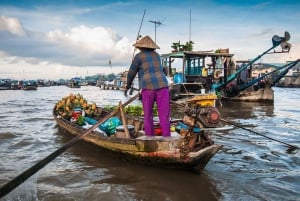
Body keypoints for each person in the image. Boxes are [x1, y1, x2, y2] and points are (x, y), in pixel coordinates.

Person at [125, 35, 170, 137]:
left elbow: (131, 73)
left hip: (148, 88)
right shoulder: (157, 55)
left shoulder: (138, 57)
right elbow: (163, 70)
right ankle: (167, 138)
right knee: (164, 116)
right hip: (163, 86)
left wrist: (128, 86)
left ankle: (150, 137)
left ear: (140, 47)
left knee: (148, 116)